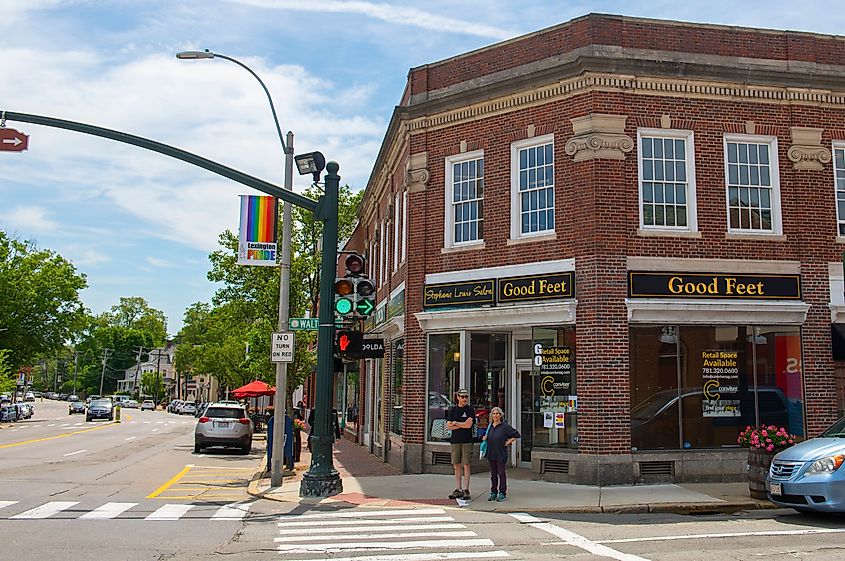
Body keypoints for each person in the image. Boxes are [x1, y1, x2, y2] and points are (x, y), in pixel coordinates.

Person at [483, 406, 521, 502]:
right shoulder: (490, 426)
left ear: (501, 415)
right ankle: (493, 492)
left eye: (497, 414)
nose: (495, 415)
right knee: (493, 474)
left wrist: (508, 442)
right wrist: (485, 438)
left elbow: (516, 434)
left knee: (501, 473)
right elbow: (487, 436)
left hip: (500, 453)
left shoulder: (504, 426)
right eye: (494, 414)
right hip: (491, 452)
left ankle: (502, 492)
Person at [446, 388, 476, 500]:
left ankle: (466, 489)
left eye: (466, 397)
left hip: (467, 440)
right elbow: (448, 426)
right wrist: (462, 424)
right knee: (456, 465)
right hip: (455, 441)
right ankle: (458, 489)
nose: (464, 399)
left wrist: (456, 423)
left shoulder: (470, 410)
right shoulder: (453, 410)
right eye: (462, 397)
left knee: (466, 464)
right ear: (458, 397)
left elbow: (469, 425)